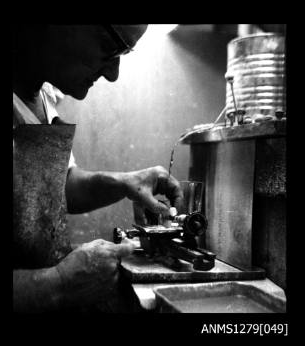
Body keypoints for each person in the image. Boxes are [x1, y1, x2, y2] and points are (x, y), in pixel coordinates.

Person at [13, 25, 183, 313]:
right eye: (110, 46)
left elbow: (54, 187)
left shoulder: (43, 94)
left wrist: (127, 182)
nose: (113, 74)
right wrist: (59, 283)